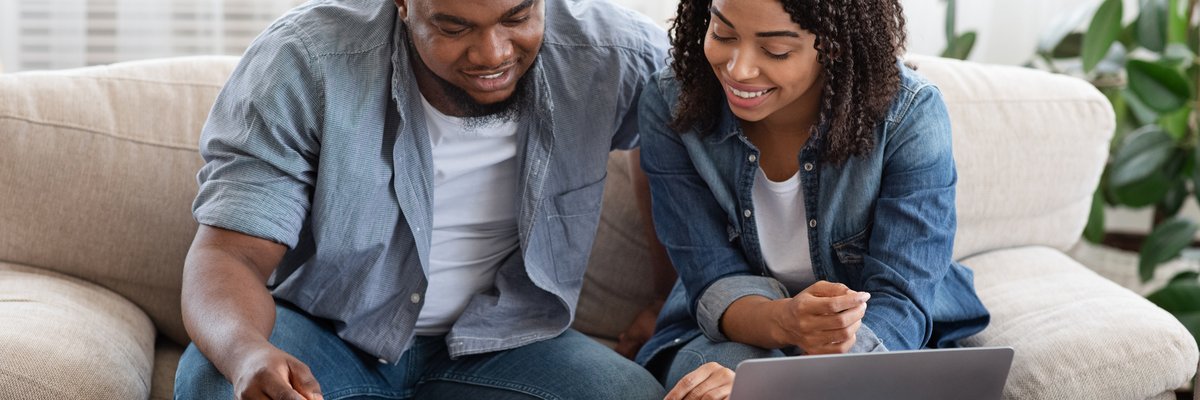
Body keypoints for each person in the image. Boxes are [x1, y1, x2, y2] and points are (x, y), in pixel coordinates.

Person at [173, 0, 670, 398]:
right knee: (217, 381)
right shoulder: (305, 61)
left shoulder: (610, 53)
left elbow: (684, 130)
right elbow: (229, 253)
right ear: (404, 6)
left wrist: (663, 297)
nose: (492, 54)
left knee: (630, 392)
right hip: (327, 335)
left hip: (508, 341)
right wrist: (245, 352)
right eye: (454, 27)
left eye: (517, 17)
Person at [633, 0, 992, 398]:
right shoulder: (672, 102)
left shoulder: (909, 116)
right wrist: (786, 324)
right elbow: (710, 274)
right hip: (732, 333)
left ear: (834, 45)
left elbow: (900, 302)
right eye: (722, 33)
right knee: (719, 384)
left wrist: (793, 385)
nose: (738, 69)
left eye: (775, 50)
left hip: (873, 344)